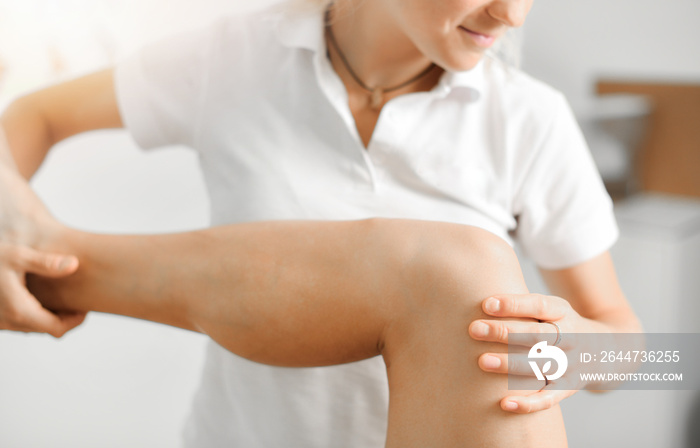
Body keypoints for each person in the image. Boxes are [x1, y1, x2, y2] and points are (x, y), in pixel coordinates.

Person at [0, 0, 642, 446]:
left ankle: (58, 268)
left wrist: (583, 349)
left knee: (465, 269)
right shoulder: (235, 56)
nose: (513, 14)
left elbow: (654, 355)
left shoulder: (531, 120)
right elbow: (32, 115)